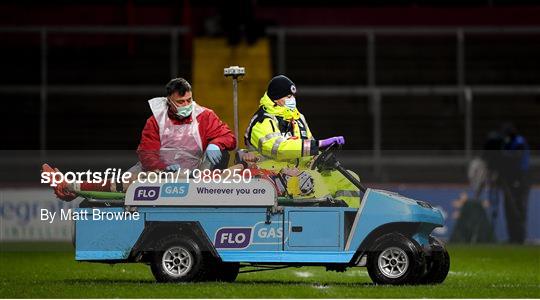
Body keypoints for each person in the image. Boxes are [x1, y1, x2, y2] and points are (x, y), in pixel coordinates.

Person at [243, 75, 361, 207]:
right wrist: (320, 144)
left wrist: (318, 159)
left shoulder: (298, 119)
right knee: (312, 180)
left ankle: (349, 219)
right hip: (272, 176)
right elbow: (279, 149)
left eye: (293, 96)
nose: (292, 99)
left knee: (348, 177)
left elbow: (308, 147)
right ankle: (327, 220)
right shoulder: (262, 121)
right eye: (288, 97)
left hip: (299, 173)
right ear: (275, 99)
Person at [135, 77, 236, 172]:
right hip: (162, 171)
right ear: (169, 101)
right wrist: (163, 167)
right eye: (180, 102)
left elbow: (229, 137)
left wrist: (216, 144)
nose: (186, 105)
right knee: (127, 179)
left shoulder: (204, 116)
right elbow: (147, 153)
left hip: (197, 172)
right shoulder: (156, 121)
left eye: (189, 100)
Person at [499, 123, 531, 244]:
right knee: (509, 209)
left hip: (520, 178)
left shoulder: (518, 141)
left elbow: (517, 157)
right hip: (510, 179)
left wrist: (503, 156)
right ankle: (513, 237)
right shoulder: (509, 143)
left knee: (518, 208)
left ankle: (520, 237)